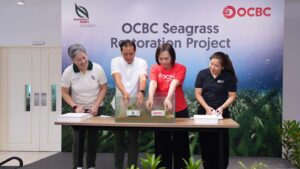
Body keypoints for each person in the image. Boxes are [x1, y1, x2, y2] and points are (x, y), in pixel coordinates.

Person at [61, 44, 108, 169]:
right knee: (78, 139)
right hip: (78, 110)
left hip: (95, 108)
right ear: (72, 60)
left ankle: (91, 165)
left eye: (84, 57)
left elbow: (103, 88)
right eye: (79, 60)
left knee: (92, 138)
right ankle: (78, 166)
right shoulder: (68, 72)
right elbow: (64, 92)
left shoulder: (97, 68)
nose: (83, 61)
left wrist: (96, 105)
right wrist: (75, 106)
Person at [146, 43, 190, 169]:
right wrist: (150, 97)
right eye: (161, 59)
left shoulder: (181, 68)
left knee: (181, 143)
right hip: (160, 110)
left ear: (172, 57)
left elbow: (174, 84)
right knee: (161, 143)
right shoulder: (155, 68)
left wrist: (168, 98)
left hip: (179, 110)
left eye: (166, 58)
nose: (163, 61)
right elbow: (153, 83)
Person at [194, 52, 238, 169]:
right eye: (211, 64)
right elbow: (197, 94)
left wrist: (222, 108)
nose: (212, 67)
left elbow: (232, 96)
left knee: (220, 143)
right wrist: (207, 108)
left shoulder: (228, 76)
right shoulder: (202, 74)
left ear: (222, 67)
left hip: (221, 115)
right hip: (204, 114)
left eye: (216, 66)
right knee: (206, 143)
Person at [111, 39, 148, 169]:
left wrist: (141, 91)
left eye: (131, 54)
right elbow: (117, 77)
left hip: (134, 105)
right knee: (118, 139)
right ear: (121, 52)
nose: (128, 57)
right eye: (125, 54)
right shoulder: (115, 61)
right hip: (120, 104)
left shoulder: (142, 62)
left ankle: (132, 167)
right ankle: (118, 167)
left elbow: (143, 77)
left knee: (133, 139)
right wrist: (124, 92)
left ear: (135, 51)